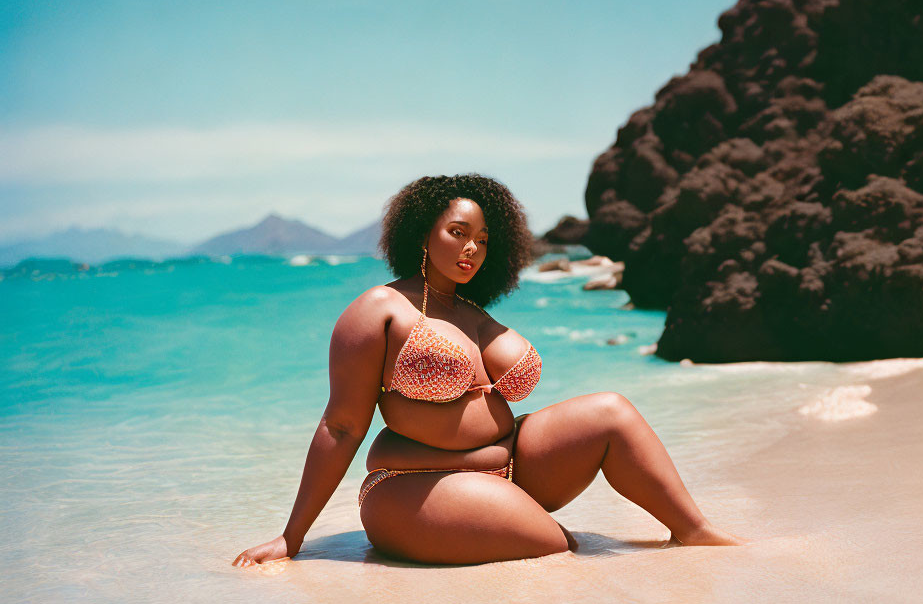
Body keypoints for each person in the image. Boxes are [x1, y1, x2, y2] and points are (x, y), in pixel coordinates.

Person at [234, 173, 746, 567]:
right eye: (457, 233)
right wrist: (290, 537)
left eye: (482, 238)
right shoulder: (379, 310)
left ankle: (693, 530)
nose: (471, 248)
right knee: (558, 546)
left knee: (611, 411)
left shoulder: (473, 315)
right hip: (411, 486)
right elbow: (342, 426)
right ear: (422, 234)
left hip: (509, 466)